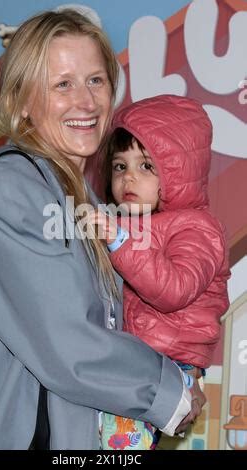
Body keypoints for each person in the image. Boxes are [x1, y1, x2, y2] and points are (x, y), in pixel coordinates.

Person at [0, 12, 204, 450]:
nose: (86, 102)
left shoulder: (83, 195)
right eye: (62, 84)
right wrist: (170, 391)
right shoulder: (15, 186)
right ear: (23, 100)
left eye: (96, 81)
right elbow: (67, 344)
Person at [88, 95, 230, 450]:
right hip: (142, 357)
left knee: (118, 446)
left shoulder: (198, 228)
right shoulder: (129, 223)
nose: (128, 177)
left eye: (147, 166)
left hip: (169, 362)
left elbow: (174, 290)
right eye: (120, 166)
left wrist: (120, 242)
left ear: (179, 173)